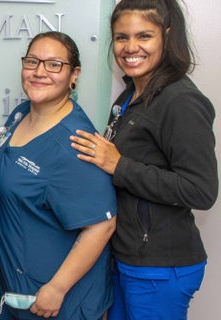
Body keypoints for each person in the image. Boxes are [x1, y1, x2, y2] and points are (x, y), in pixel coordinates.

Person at [70, 1, 218, 319]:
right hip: (129, 258)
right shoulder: (131, 94)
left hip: (160, 268)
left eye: (144, 36)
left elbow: (201, 190)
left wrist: (119, 165)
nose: (130, 47)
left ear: (167, 35)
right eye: (122, 37)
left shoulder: (181, 101)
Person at [0, 31, 117, 319]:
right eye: (32, 61)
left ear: (74, 75)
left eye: (54, 64)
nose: (39, 72)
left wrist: (57, 288)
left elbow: (102, 226)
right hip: (11, 292)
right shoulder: (20, 114)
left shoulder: (76, 143)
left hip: (56, 302)